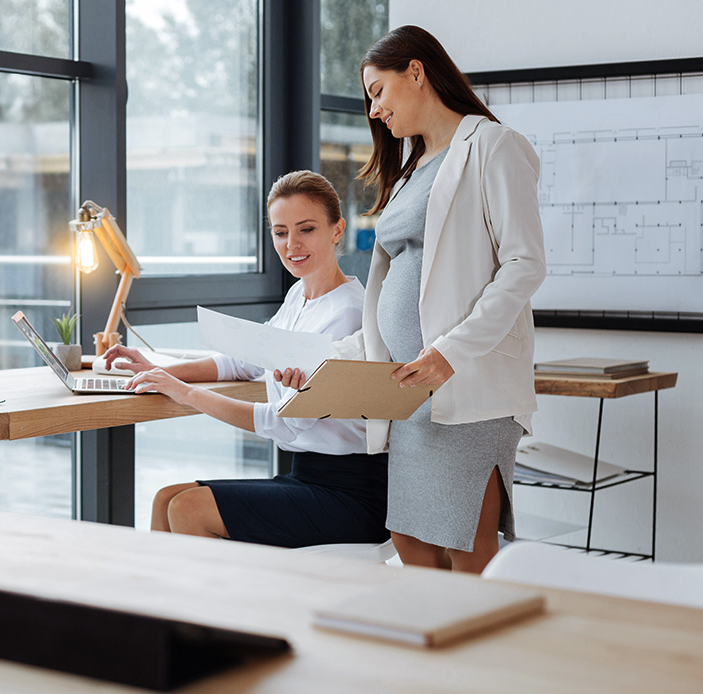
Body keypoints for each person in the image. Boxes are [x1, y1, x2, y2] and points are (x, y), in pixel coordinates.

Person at [336, 25, 546, 573]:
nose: (374, 109)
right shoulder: (413, 168)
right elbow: (396, 282)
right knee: (411, 542)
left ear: (416, 71)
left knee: (468, 552)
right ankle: (429, 656)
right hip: (410, 394)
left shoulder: (494, 147)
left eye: (377, 91)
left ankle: (479, 658)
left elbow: (524, 265)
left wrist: (448, 352)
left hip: (465, 388)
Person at [100, 171, 389, 548]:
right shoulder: (298, 297)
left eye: (306, 229)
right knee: (165, 499)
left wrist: (185, 392)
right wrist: (160, 372)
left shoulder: (346, 313)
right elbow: (243, 362)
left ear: (337, 230)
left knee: (188, 508)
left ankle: (212, 606)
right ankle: (161, 606)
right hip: (306, 477)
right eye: (281, 232)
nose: (291, 244)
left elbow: (285, 425)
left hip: (350, 492)